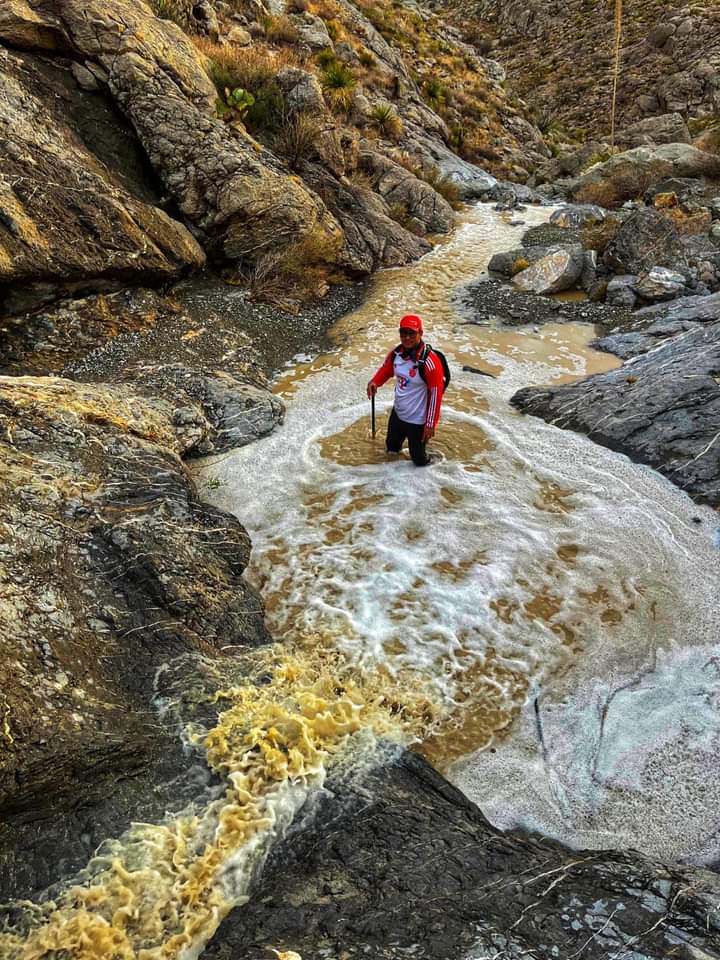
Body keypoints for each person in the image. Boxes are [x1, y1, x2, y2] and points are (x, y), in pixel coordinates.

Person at [366, 314, 444, 467]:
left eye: (411, 333)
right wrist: (375, 382)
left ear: (420, 333)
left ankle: (438, 467)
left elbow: (436, 393)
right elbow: (386, 370)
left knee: (419, 461)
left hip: (418, 421)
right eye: (403, 333)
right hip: (398, 415)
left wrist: (430, 424)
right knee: (391, 450)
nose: (407, 337)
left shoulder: (429, 362)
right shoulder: (396, 354)